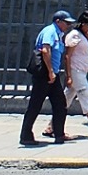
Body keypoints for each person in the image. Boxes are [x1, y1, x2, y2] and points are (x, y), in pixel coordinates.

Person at [47, 11, 88, 140]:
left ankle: (51, 126)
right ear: (83, 24)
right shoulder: (75, 35)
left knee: (66, 99)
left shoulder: (86, 35)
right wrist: (69, 76)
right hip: (76, 71)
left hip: (82, 71)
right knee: (86, 95)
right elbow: (68, 56)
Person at [20, 10, 74, 146]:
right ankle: (26, 135)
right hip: (44, 75)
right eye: (66, 22)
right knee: (35, 105)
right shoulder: (50, 31)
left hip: (52, 75)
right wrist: (50, 71)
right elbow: (45, 50)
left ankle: (59, 134)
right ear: (58, 22)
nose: (68, 25)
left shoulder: (58, 34)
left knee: (60, 104)